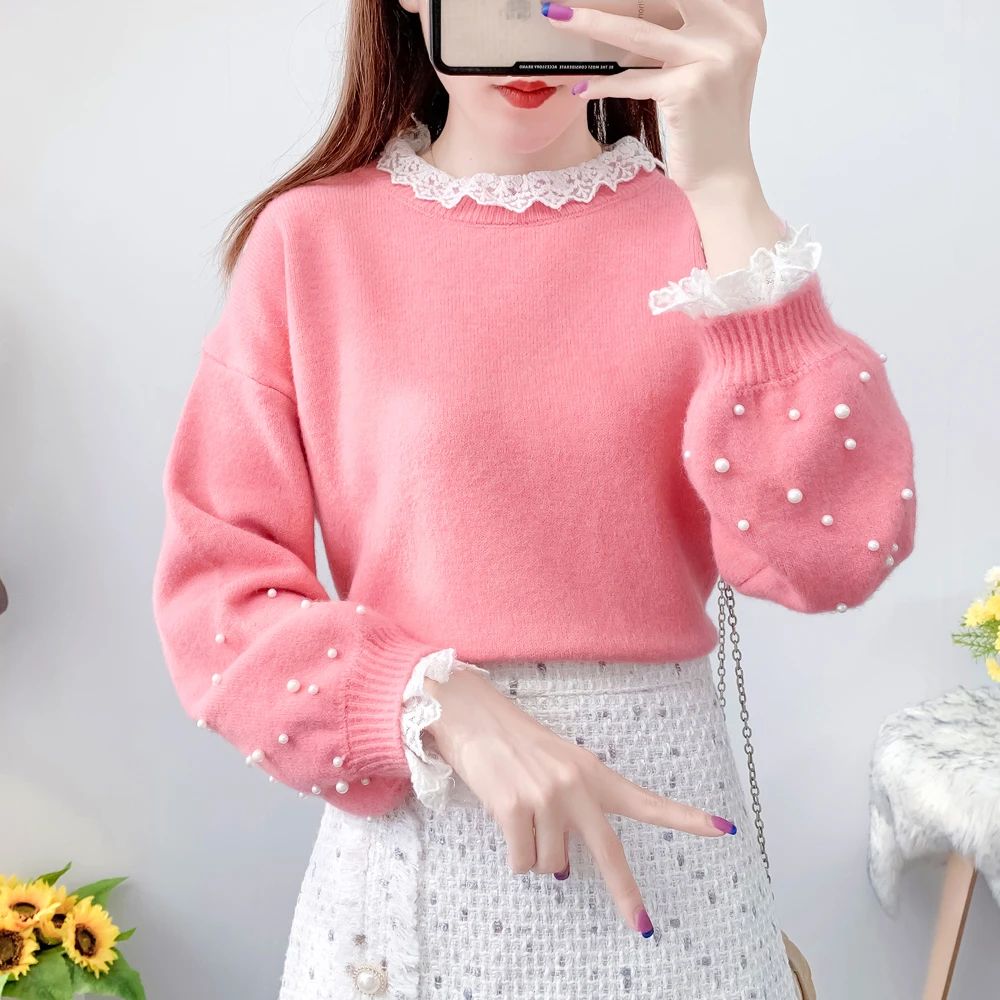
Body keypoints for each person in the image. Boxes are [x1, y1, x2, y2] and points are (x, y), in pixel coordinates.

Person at [151, 0, 916, 995]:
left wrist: (728, 183)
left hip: (675, 871)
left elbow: (839, 554)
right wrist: (431, 700)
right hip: (418, 873)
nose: (534, 28)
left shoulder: (708, 234)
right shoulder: (311, 241)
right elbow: (216, 599)